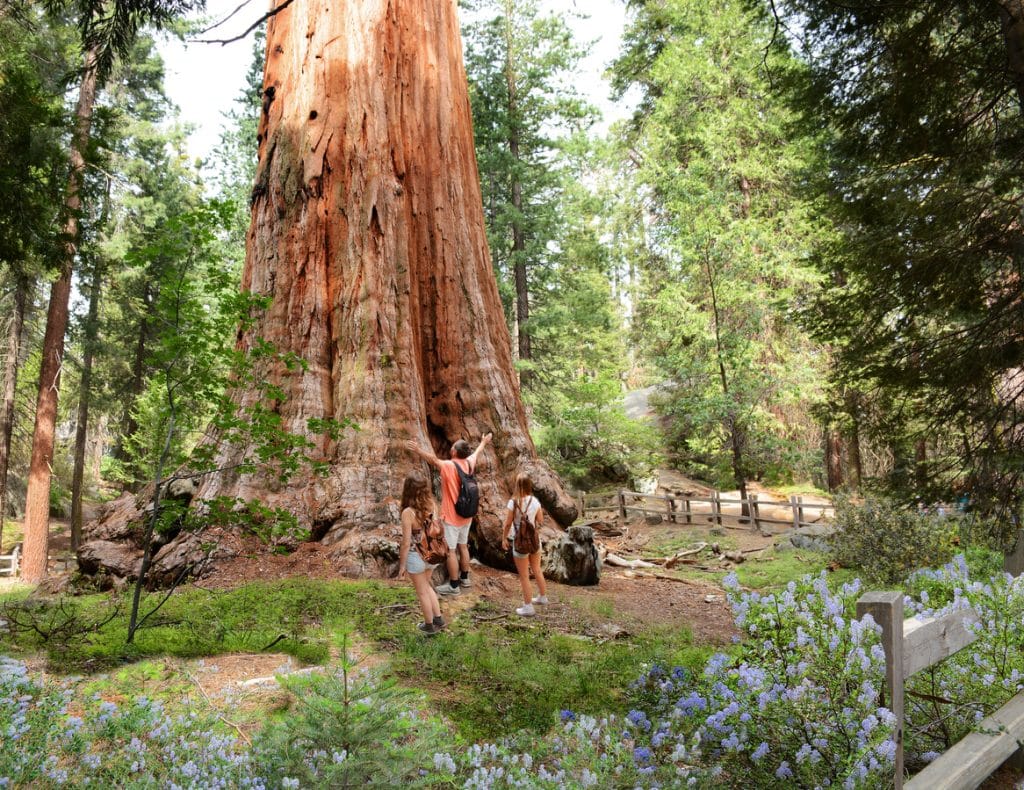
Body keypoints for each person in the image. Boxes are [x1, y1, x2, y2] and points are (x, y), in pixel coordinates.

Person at [405, 432, 492, 595]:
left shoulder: (448, 466)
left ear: (454, 452)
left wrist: (417, 450)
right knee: (463, 546)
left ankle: (453, 586)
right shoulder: (469, 463)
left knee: (451, 551)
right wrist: (484, 442)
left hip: (452, 518)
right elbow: (478, 452)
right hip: (467, 516)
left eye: (452, 447)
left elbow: (432, 459)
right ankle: (465, 578)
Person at [397, 472, 446, 634]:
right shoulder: (432, 505)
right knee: (427, 586)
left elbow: (405, 543)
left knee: (422, 591)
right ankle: (438, 618)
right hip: (432, 555)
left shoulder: (408, 513)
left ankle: (429, 626)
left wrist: (402, 566)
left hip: (415, 558)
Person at [501, 472, 548, 617]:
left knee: (524, 576)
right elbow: (540, 520)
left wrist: (503, 538)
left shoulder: (513, 502)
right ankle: (542, 597)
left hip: (520, 543)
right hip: (534, 541)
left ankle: (528, 607)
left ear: (517, 485)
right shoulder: (535, 501)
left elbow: (508, 523)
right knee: (537, 569)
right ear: (529, 485)